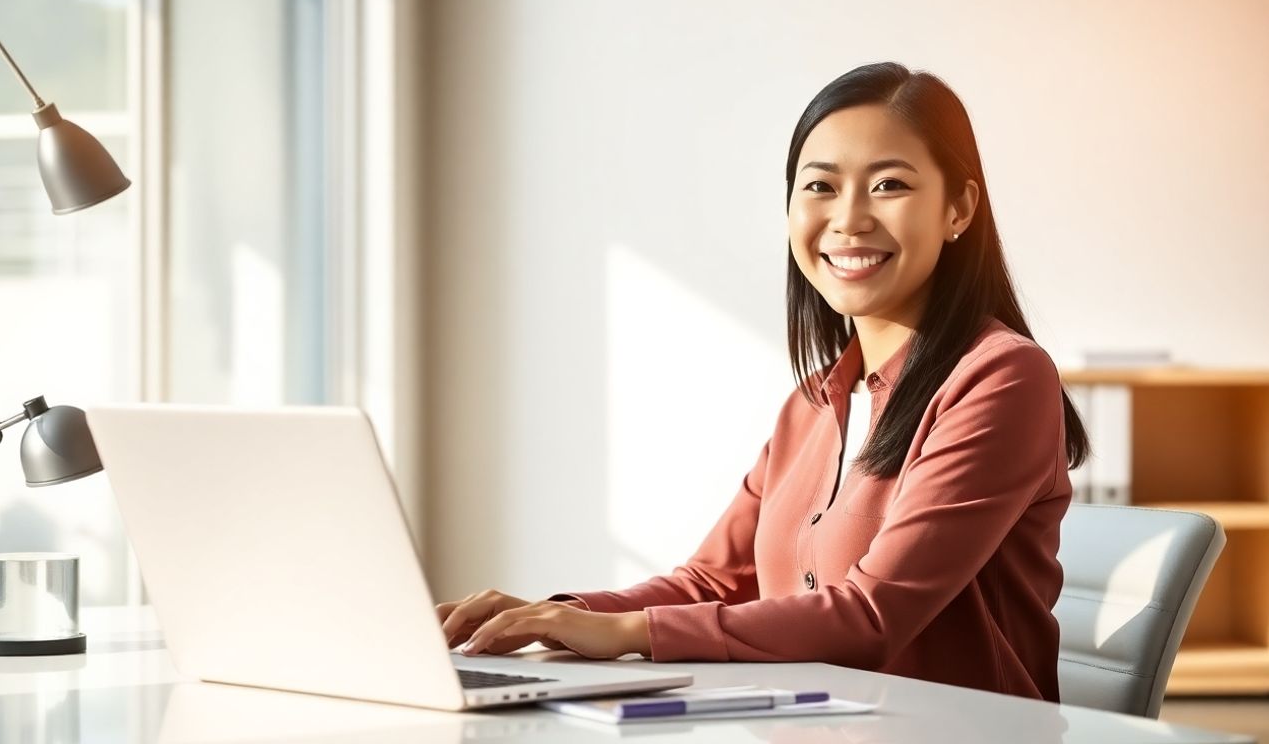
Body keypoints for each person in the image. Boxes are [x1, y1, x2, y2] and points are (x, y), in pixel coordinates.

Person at [435, 61, 1090, 702]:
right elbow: (710, 582)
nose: (850, 217)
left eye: (889, 185)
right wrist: (552, 616)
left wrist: (626, 632)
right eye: (820, 186)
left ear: (958, 208)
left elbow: (871, 618)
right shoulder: (812, 404)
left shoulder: (1002, 377)